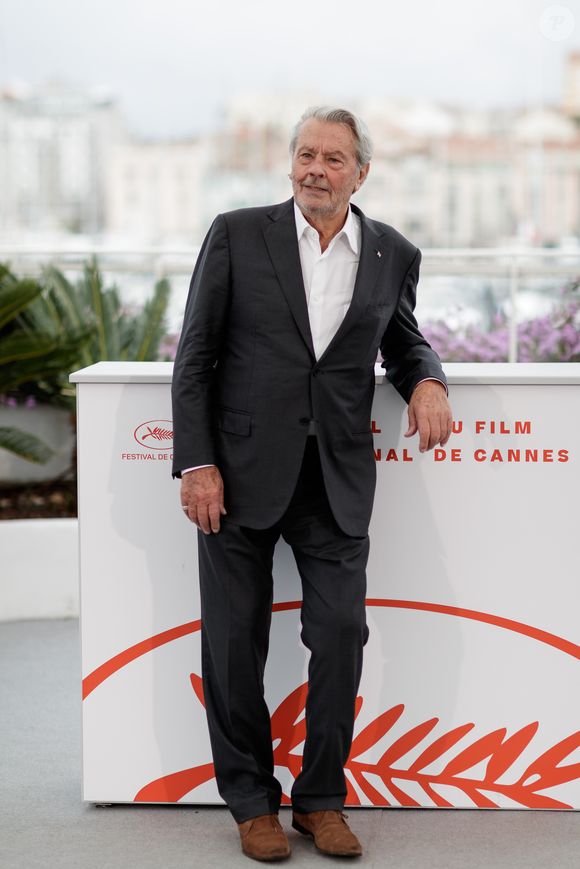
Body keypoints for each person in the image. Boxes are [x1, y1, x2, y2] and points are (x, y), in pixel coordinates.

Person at [171, 106, 452, 861]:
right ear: (289, 162)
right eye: (305, 155)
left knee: (339, 635)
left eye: (333, 159)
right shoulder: (236, 234)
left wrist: (427, 382)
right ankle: (252, 802)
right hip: (235, 474)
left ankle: (320, 800)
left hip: (334, 479)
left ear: (362, 173)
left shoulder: (393, 251)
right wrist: (195, 461)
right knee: (234, 644)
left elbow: (403, 340)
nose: (314, 170)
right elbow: (194, 354)